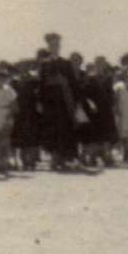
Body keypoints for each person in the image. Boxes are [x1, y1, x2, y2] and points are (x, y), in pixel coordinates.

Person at [38, 33, 78, 170]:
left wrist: (65, 82)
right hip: (50, 102)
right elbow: (41, 84)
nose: (54, 47)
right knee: (52, 130)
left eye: (56, 45)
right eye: (51, 45)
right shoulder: (44, 64)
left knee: (64, 129)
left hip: (64, 102)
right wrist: (41, 102)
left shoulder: (66, 63)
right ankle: (54, 159)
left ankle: (63, 158)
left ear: (59, 46)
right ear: (48, 47)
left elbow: (73, 83)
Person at [82, 56, 118, 167]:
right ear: (95, 64)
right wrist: (90, 104)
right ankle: (92, 157)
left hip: (106, 109)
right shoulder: (90, 77)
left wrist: (114, 105)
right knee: (95, 134)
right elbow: (85, 94)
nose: (101, 65)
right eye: (98, 63)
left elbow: (111, 94)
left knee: (107, 133)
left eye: (103, 63)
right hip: (95, 110)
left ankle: (107, 156)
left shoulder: (108, 78)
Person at [11, 59, 41, 171]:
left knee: (32, 137)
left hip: (32, 112)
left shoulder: (34, 81)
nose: (24, 69)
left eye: (26, 67)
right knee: (21, 138)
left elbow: (39, 94)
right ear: (18, 69)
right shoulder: (14, 82)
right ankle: (24, 161)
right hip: (19, 113)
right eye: (21, 67)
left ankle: (31, 161)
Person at [0, 70, 18, 175]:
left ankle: (4, 163)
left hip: (6, 113)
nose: (1, 80)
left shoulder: (9, 89)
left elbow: (14, 104)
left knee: (5, 139)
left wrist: (9, 116)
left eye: (3, 78)